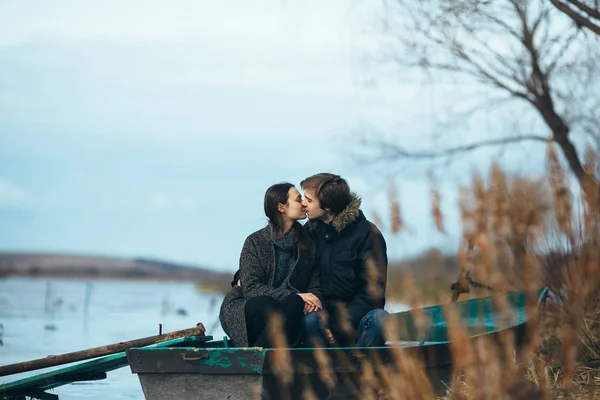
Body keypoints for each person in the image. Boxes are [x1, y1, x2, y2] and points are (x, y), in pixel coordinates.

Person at [219, 182, 322, 348]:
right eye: (298, 199)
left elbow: (315, 289)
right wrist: (295, 296)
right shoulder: (255, 242)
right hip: (249, 308)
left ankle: (258, 355)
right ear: (281, 207)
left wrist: (304, 299)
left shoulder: (308, 245)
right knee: (266, 304)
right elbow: (250, 289)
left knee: (293, 304)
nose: (303, 203)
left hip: (290, 311)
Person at [301, 173, 389, 347]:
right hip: (322, 322)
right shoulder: (309, 232)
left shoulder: (368, 234)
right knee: (309, 320)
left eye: (309, 200)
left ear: (327, 206)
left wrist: (338, 328)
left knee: (380, 319)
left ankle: (362, 371)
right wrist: (242, 275)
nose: (303, 203)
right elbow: (280, 255)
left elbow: (372, 294)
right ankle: (323, 371)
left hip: (357, 322)